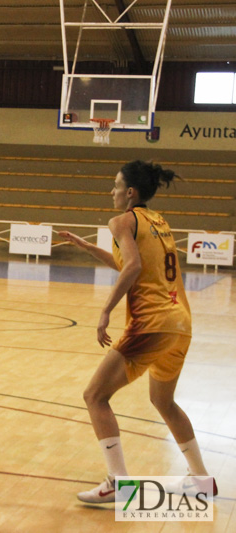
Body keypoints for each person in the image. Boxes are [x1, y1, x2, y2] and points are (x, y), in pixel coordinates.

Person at [59, 160, 218, 503]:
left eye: (116, 185)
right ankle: (202, 480)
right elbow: (130, 261)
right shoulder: (159, 221)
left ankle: (118, 482)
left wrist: (105, 310)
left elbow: (132, 267)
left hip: (153, 322)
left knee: (95, 396)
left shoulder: (120, 220)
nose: (112, 191)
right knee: (163, 400)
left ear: (130, 192)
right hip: (181, 322)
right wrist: (88, 248)